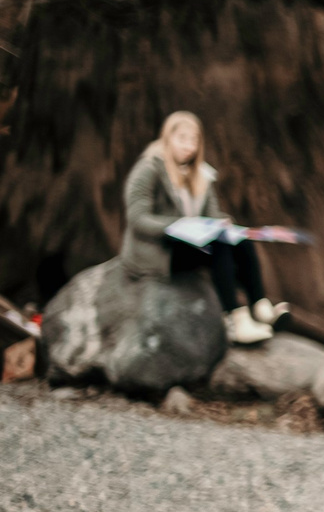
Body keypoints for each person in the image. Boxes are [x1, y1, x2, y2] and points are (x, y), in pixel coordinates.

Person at [121, 112, 287, 346]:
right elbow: (138, 219)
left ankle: (260, 306)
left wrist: (225, 223)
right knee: (219, 247)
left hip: (193, 240)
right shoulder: (148, 169)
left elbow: (212, 215)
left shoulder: (201, 173)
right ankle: (235, 320)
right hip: (160, 250)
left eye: (194, 140)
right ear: (168, 138)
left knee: (241, 241)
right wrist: (177, 226)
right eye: (182, 138)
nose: (189, 146)